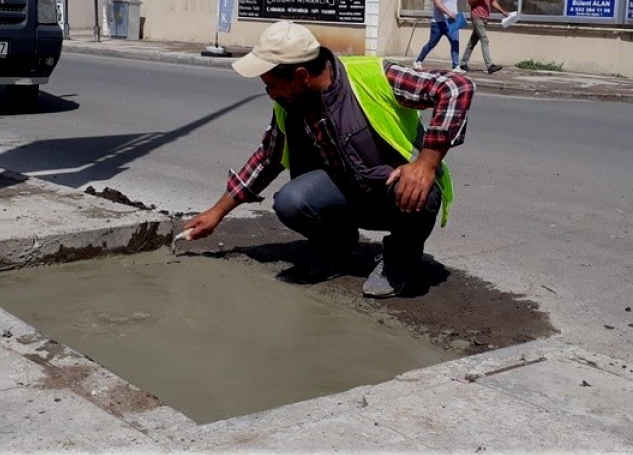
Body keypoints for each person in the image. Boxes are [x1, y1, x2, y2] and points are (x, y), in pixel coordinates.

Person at [183, 21, 476, 298]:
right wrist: (216, 213)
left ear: (300, 76)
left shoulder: (373, 76)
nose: (269, 92)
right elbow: (267, 158)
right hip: (348, 193)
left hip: (398, 192)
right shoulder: (290, 103)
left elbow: (456, 87)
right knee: (291, 201)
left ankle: (399, 259)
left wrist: (426, 164)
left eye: (271, 84)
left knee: (420, 196)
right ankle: (338, 251)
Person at [460, 0, 517, 74]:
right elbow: (471, 1)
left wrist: (503, 12)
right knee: (485, 39)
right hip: (476, 16)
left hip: (485, 18)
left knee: (472, 42)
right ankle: (490, 65)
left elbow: (493, 1)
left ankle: (463, 63)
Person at [413, 0, 465, 73]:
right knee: (431, 44)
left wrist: (456, 15)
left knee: (455, 43)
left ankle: (456, 66)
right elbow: (437, 3)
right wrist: (448, 13)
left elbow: (453, 5)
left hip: (451, 23)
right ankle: (418, 61)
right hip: (439, 23)